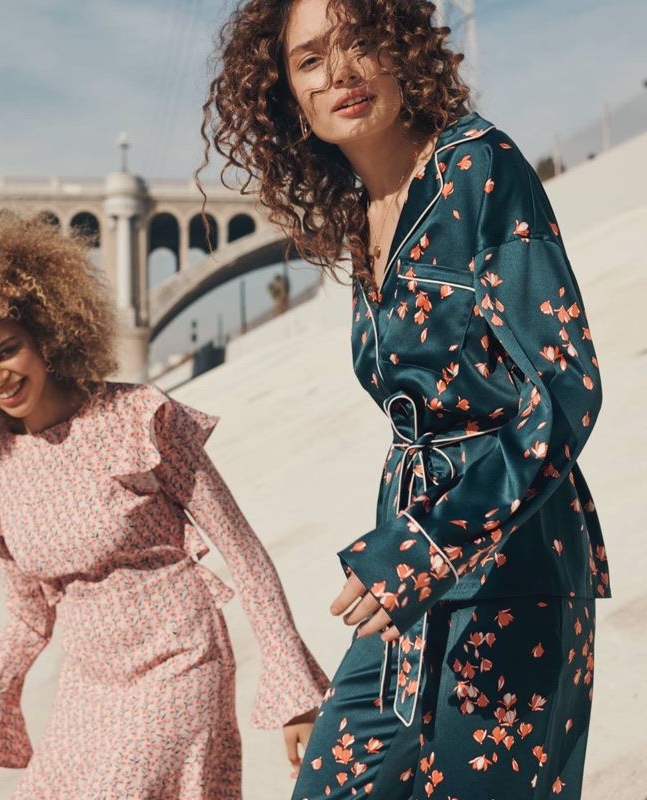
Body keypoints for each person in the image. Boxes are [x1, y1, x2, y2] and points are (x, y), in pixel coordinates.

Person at [201, 1, 609, 798]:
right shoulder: (363, 216)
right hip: (402, 582)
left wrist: (434, 540)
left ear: (404, 50)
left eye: (361, 42)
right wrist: (409, 548)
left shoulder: (479, 166)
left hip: (511, 563)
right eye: (310, 59)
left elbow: (566, 385)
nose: (341, 72)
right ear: (287, 93)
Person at [0, 214, 328, 800]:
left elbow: (244, 552)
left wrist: (296, 695)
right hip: (87, 688)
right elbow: (28, 616)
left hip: (180, 662)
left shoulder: (139, 418)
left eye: (7, 350)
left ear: (46, 336)